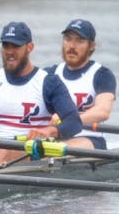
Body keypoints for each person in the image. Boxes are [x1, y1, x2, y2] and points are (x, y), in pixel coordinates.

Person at [0, 21, 82, 168]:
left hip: (29, 150)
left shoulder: (49, 83)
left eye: (16, 46)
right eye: (6, 46)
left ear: (30, 47)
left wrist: (49, 131)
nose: (9, 51)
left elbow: (74, 122)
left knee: (2, 154)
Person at [44, 19, 116, 150]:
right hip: (54, 138)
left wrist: (68, 121)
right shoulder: (50, 74)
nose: (72, 46)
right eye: (68, 39)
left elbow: (103, 111)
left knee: (51, 150)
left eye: (79, 41)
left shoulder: (101, 75)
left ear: (92, 46)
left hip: (90, 138)